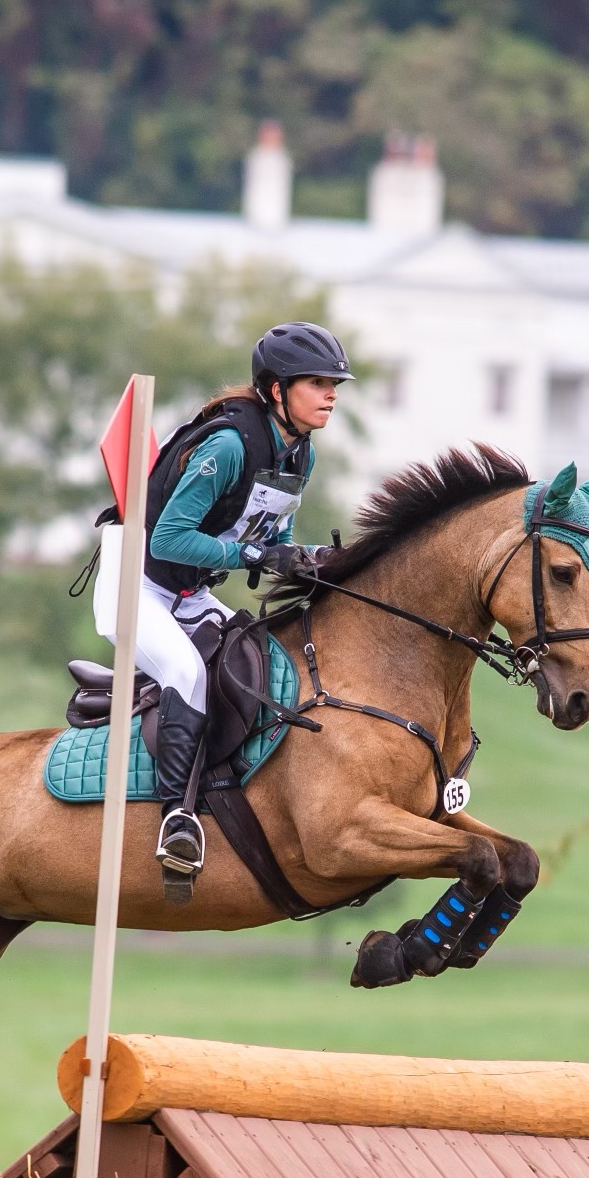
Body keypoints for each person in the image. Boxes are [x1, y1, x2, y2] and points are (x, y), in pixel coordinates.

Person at [100, 321, 349, 879]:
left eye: (335, 382)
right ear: (276, 390)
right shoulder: (231, 445)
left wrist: (308, 559)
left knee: (252, 664)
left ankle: (225, 790)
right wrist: (257, 559)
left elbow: (272, 533)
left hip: (186, 592)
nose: (332, 393)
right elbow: (167, 538)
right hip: (133, 584)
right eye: (317, 382)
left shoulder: (298, 455)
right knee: (188, 673)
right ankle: (176, 819)